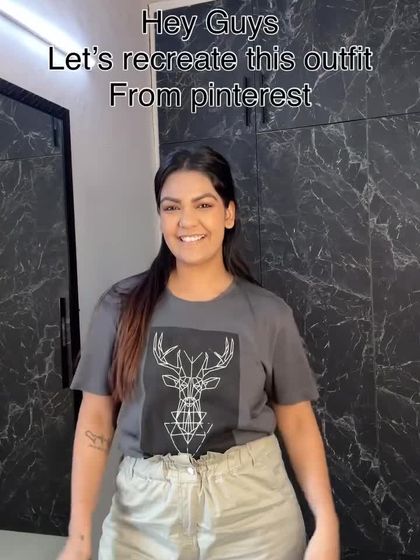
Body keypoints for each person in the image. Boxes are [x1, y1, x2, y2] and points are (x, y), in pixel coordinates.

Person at [58, 145, 340, 560]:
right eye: (171, 207)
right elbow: (96, 419)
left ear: (229, 214)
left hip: (253, 515)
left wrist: (327, 522)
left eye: (203, 204)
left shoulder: (268, 314)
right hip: (143, 518)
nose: (186, 221)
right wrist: (79, 533)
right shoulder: (119, 307)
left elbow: (297, 421)